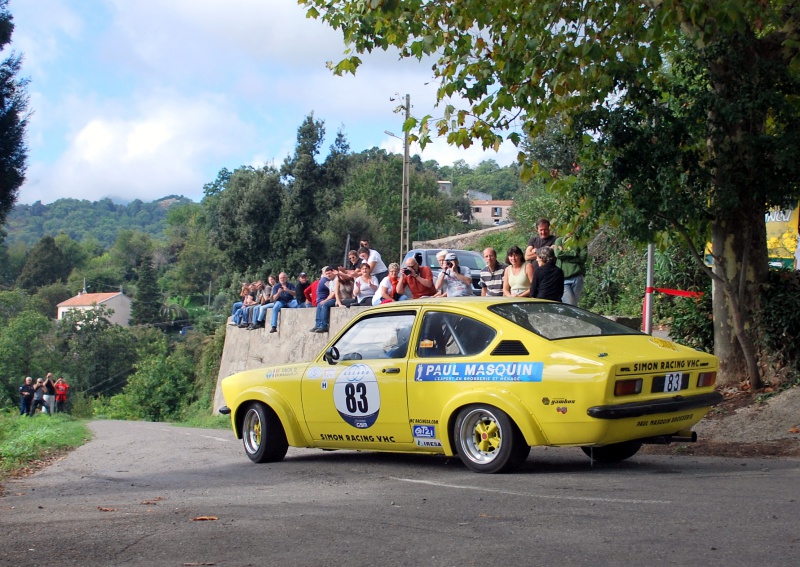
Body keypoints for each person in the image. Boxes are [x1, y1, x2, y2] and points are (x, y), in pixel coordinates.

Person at [554, 233, 588, 305]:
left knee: (574, 304)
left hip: (577, 277)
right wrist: (575, 253)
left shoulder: (581, 242)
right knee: (570, 304)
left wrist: (565, 255)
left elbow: (583, 258)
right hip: (563, 279)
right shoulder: (559, 241)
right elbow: (558, 254)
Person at [311, 266, 337, 333]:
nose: (328, 275)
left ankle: (324, 325)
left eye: (329, 273)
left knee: (324, 304)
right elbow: (331, 293)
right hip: (324, 298)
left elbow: (334, 293)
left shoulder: (335, 280)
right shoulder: (329, 281)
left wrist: (325, 300)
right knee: (320, 304)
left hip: (337, 299)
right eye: (327, 273)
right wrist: (325, 300)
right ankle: (318, 325)